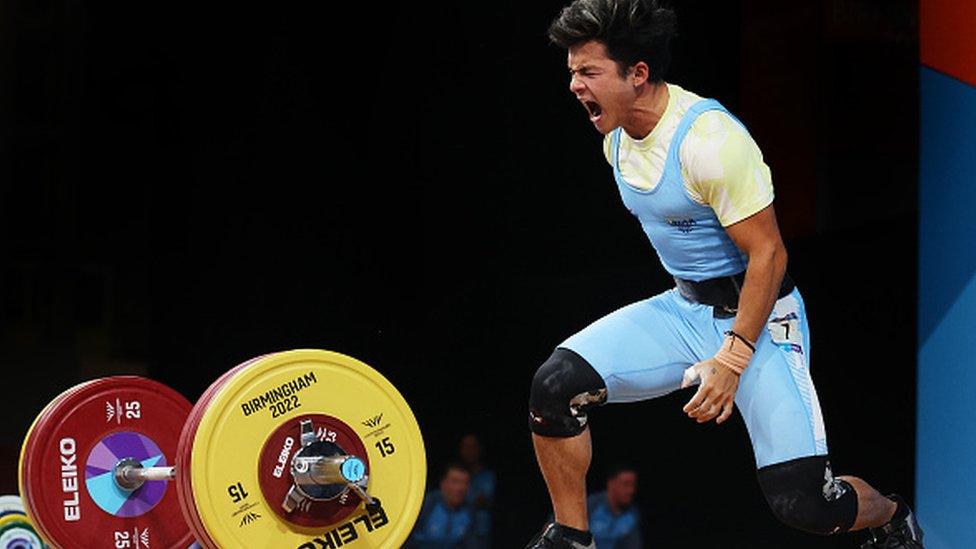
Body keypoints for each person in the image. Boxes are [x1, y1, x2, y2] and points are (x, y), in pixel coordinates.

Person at [525, 1, 923, 548]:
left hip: (760, 320)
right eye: (572, 72)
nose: (574, 85)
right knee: (554, 386)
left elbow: (771, 256)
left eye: (588, 72)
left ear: (638, 75)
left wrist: (733, 358)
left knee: (805, 504)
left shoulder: (709, 142)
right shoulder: (615, 137)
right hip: (686, 309)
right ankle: (572, 538)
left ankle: (891, 518)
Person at [407, 463, 478, 548]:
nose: (460, 488)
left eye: (465, 483)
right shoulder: (426, 505)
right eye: (455, 482)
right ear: (443, 484)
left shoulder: (471, 512)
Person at [586, 466, 642, 548]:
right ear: (611, 484)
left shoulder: (632, 514)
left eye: (633, 485)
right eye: (626, 484)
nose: (631, 490)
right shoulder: (591, 505)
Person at [458, 434, 496, 549]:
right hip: (455, 534)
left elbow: (484, 501)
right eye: (466, 447)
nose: (469, 451)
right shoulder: (453, 472)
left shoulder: (488, 476)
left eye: (473, 447)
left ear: (479, 449)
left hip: (479, 535)